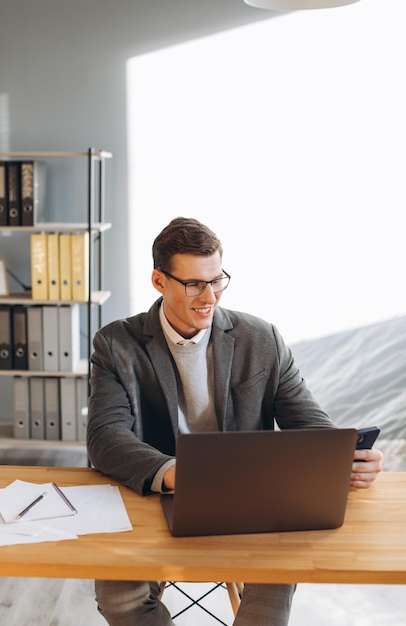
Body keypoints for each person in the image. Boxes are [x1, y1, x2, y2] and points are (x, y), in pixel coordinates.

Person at [87, 217, 383, 626]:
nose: (209, 296)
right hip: (157, 497)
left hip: (253, 504)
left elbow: (309, 423)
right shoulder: (116, 343)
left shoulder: (261, 338)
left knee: (266, 613)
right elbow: (106, 436)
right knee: (120, 598)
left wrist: (347, 456)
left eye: (217, 280)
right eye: (193, 284)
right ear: (159, 281)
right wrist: (176, 473)